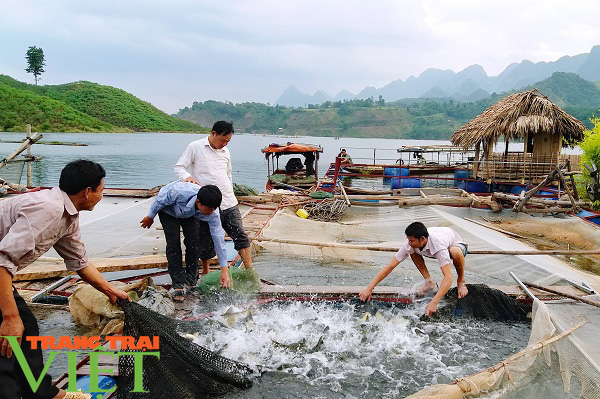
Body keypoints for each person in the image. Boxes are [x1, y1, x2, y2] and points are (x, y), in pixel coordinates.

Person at [0, 160, 130, 399]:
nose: (102, 196)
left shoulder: (67, 214)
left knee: (26, 328)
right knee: (8, 338)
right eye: (101, 190)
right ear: (87, 192)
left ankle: (40, 393)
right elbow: (2, 260)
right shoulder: (48, 209)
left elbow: (80, 262)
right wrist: (9, 317)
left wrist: (110, 291)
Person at [174, 121, 253, 274]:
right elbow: (179, 167)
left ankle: (250, 271)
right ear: (213, 133)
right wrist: (188, 177)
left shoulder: (226, 152)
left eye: (228, 141)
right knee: (205, 240)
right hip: (207, 204)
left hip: (228, 202)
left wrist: (230, 191)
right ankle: (206, 272)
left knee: (240, 235)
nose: (225, 144)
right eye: (223, 140)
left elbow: (228, 174)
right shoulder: (195, 147)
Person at [140, 182, 230, 302]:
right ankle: (177, 285)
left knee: (193, 243)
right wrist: (150, 216)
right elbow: (160, 200)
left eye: (214, 209)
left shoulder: (213, 213)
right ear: (198, 202)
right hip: (168, 211)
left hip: (191, 214)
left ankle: (191, 282)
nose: (211, 212)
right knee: (173, 244)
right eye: (209, 209)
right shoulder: (178, 192)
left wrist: (224, 271)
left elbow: (219, 241)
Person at [359, 222, 468, 317]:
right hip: (431, 247)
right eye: (408, 240)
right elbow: (390, 267)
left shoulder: (438, 245)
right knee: (411, 251)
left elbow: (448, 278)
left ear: (422, 239)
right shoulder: (410, 244)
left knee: (455, 251)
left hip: (455, 245)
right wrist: (369, 288)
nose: (409, 243)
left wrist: (434, 302)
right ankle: (429, 283)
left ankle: (461, 282)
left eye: (411, 240)